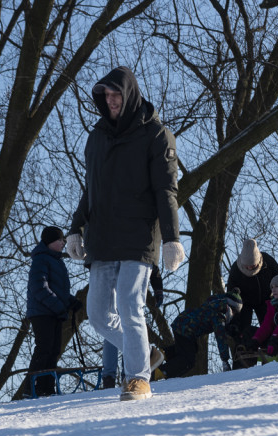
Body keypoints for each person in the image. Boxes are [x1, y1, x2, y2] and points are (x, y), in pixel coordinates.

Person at [66, 65, 184, 402]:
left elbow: (166, 190)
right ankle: (143, 352)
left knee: (131, 303)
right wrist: (76, 228)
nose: (111, 101)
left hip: (139, 235)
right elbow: (91, 189)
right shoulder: (97, 137)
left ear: (129, 94)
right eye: (106, 95)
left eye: (116, 95)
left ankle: (138, 379)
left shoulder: (156, 135)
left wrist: (172, 237)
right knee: (99, 314)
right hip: (102, 236)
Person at [26, 227, 79, 396]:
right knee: (44, 349)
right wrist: (58, 306)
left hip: (54, 312)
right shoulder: (41, 259)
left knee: (54, 350)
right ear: (49, 242)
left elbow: (58, 290)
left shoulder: (57, 261)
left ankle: (46, 387)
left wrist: (70, 301)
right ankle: (31, 388)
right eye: (59, 240)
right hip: (42, 312)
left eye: (63, 240)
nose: (63, 242)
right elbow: (38, 287)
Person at [100, 266, 164, 388]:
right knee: (115, 328)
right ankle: (116, 375)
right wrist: (158, 288)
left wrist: (158, 288)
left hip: (125, 283)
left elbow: (150, 259)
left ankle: (123, 374)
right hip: (118, 281)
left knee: (118, 328)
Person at [156, 290, 243, 380]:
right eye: (234, 312)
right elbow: (221, 338)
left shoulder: (215, 304)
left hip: (182, 323)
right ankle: (159, 373)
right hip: (186, 328)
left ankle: (161, 354)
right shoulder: (219, 316)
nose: (233, 316)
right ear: (231, 308)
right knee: (187, 360)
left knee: (189, 349)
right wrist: (225, 360)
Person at [227, 238, 278, 331]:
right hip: (244, 303)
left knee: (271, 327)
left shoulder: (267, 262)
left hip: (266, 299)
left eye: (252, 266)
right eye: (247, 266)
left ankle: (273, 343)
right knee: (242, 329)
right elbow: (231, 296)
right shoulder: (236, 269)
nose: (249, 268)